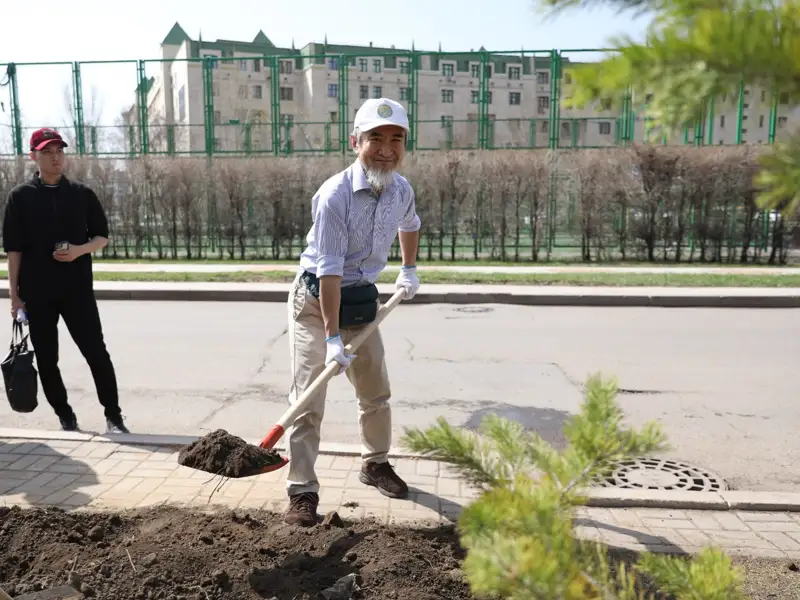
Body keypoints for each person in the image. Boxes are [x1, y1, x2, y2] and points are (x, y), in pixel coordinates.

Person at [283, 97, 421, 527]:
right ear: (355, 142)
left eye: (396, 139)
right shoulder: (334, 195)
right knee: (308, 400)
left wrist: (409, 269)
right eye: (375, 138)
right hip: (315, 304)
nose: (386, 148)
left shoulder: (400, 189)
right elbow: (327, 272)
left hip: (361, 300)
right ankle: (301, 490)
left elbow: (410, 224)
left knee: (376, 393)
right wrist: (330, 338)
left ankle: (375, 463)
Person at [2, 127, 128, 434]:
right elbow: (14, 250)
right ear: (33, 156)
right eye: (47, 152)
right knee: (47, 359)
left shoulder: (82, 194)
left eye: (59, 150)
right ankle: (65, 415)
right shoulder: (20, 197)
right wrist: (14, 294)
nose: (55, 157)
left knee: (96, 352)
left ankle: (114, 416)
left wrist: (78, 250)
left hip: (77, 291)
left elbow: (102, 237)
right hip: (37, 292)